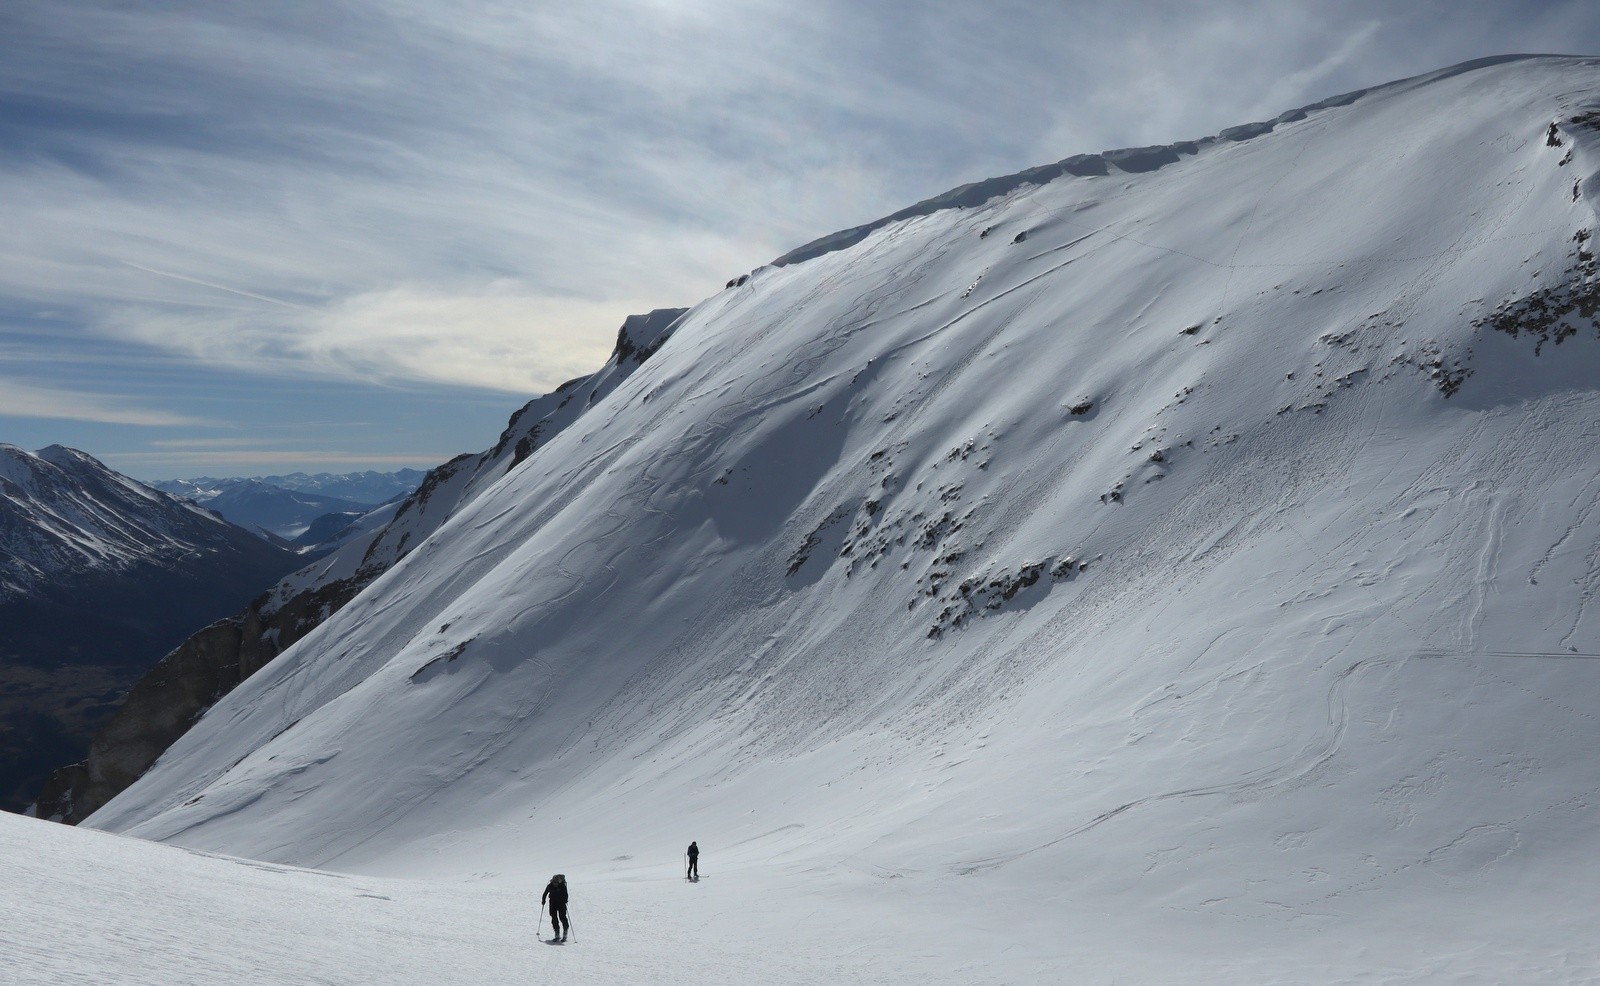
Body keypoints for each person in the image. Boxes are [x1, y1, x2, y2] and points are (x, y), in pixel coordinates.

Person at [542, 873, 569, 941]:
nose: (555, 884)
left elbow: (566, 894)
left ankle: (565, 931)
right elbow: (545, 893)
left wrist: (565, 901)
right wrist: (543, 900)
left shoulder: (562, 886)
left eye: (557, 882)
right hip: (553, 903)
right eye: (554, 882)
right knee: (554, 917)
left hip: (561, 903)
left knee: (562, 917)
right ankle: (557, 933)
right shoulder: (550, 885)